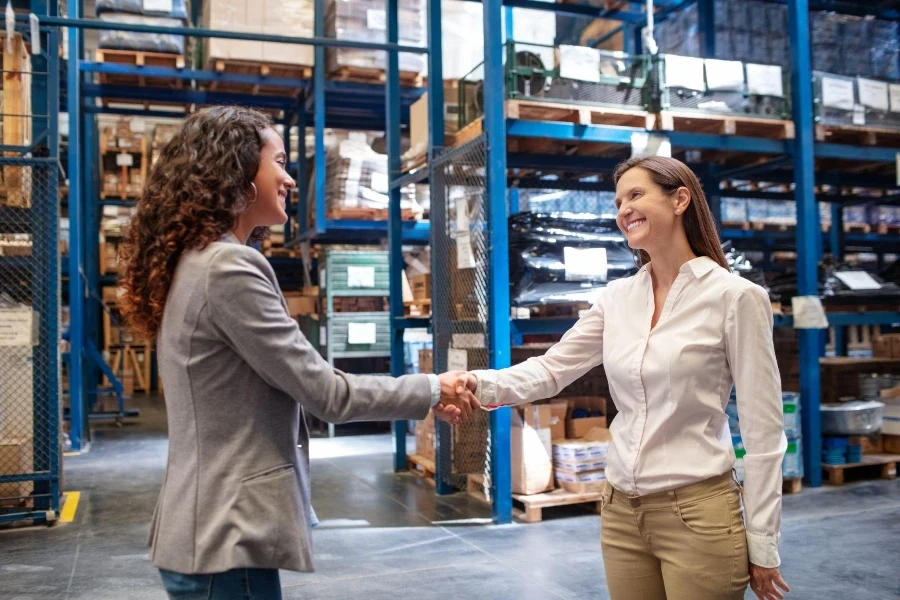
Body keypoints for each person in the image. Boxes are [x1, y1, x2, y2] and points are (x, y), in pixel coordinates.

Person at [117, 106, 479, 600]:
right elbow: (325, 392)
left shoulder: (199, 259)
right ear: (238, 173)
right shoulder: (229, 268)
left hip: (207, 532)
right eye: (279, 163)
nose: (289, 178)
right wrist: (433, 387)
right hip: (226, 538)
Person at [455, 156, 791, 600]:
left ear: (680, 200)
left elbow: (764, 431)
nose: (623, 210)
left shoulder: (736, 298)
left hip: (699, 514)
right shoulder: (618, 297)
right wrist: (473, 384)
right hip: (620, 513)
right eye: (617, 202)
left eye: (635, 195)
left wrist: (763, 543)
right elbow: (552, 368)